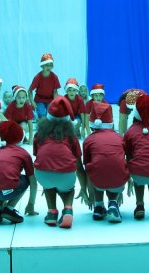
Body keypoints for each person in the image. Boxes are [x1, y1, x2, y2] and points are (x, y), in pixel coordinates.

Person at [33, 96, 88, 229]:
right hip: (65, 176)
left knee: (49, 187)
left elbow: (38, 156)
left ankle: (52, 213)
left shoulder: (39, 134)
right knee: (68, 189)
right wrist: (84, 189)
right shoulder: (71, 137)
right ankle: (68, 209)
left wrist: (48, 181)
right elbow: (79, 166)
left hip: (42, 175)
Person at [0, 120, 38, 224]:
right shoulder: (23, 153)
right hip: (8, 190)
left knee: (1, 177)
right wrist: (31, 204)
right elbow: (32, 181)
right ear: (20, 137)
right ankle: (9, 208)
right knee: (24, 179)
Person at [83, 102, 129, 223]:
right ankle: (113, 203)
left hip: (98, 181)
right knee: (114, 169)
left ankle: (98, 206)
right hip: (118, 181)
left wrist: (88, 188)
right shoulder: (119, 137)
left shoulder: (88, 140)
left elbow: (87, 166)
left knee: (97, 168)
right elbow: (123, 160)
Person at [28, 53, 61, 119]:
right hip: (39, 99)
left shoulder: (54, 77)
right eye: (46, 65)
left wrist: (56, 102)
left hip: (50, 99)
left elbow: (55, 92)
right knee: (42, 115)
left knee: (51, 114)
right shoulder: (37, 77)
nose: (49, 67)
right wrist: (32, 101)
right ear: (42, 66)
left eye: (50, 65)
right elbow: (30, 90)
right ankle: (37, 116)